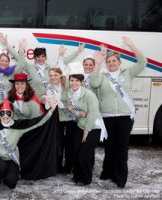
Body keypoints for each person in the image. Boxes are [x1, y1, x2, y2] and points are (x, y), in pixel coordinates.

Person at [89, 36, 147, 188]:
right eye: (108, 61)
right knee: (109, 147)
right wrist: (98, 63)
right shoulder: (102, 75)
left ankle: (120, 177)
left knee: (121, 148)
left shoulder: (127, 73)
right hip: (107, 117)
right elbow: (93, 83)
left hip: (124, 118)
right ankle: (107, 172)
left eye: (114, 61)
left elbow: (143, 62)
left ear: (119, 62)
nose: (111, 63)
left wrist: (131, 45)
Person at [66, 65, 105, 186]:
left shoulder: (89, 94)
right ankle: (77, 176)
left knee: (84, 155)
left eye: (77, 80)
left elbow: (93, 114)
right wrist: (79, 113)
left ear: (81, 82)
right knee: (76, 153)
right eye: (72, 80)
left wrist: (87, 131)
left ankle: (86, 179)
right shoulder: (69, 93)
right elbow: (70, 108)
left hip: (93, 127)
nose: (74, 83)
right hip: (80, 125)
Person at [17, 42, 85, 100]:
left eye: (43, 56)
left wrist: (77, 52)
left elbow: (63, 62)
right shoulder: (30, 68)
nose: (40, 59)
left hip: (51, 101)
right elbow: (20, 60)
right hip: (36, 102)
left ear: (46, 57)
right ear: (34, 58)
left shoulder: (51, 67)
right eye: (38, 56)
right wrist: (21, 50)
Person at [42, 68, 77, 174]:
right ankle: (57, 166)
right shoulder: (49, 88)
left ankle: (68, 166)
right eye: (51, 75)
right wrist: (45, 100)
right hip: (57, 119)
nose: (53, 77)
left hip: (70, 118)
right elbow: (48, 106)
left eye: (55, 75)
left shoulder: (67, 86)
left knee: (70, 143)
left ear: (61, 75)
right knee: (58, 143)